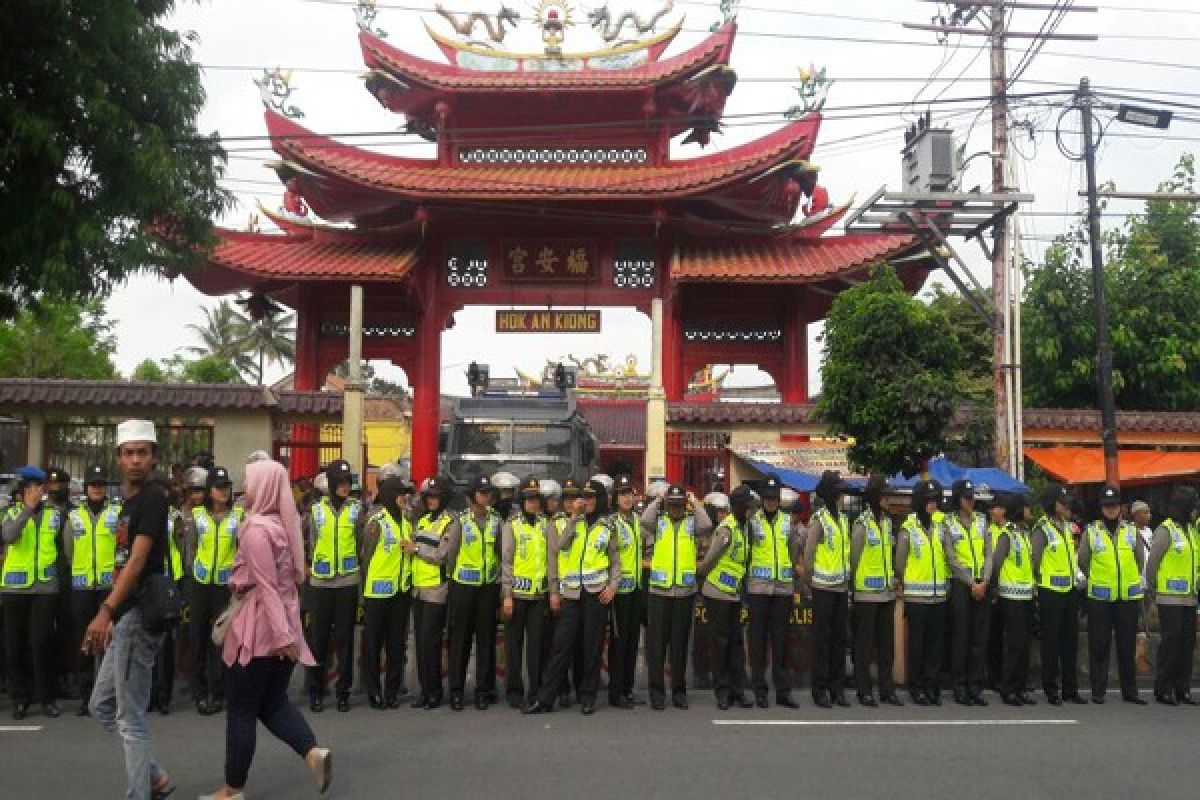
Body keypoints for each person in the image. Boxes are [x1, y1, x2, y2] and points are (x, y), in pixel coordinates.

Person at [199, 458, 332, 800]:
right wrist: (289, 633)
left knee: (241, 711)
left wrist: (282, 637)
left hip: (260, 631)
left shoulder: (257, 529)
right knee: (272, 704)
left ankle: (232, 790)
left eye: (251, 482)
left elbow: (267, 587)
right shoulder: (283, 526)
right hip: (284, 623)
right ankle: (312, 752)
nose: (247, 488)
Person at [84, 419, 175, 800]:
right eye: (129, 453)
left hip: (137, 616)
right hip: (124, 616)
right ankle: (155, 778)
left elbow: (137, 560)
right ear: (119, 457)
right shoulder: (128, 502)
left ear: (153, 457)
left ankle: (140, 794)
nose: (135, 459)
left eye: (143, 452)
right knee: (101, 705)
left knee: (130, 717)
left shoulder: (153, 497)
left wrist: (106, 610)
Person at [525, 479, 619, 715]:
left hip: (596, 594)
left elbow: (616, 561)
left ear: (598, 500)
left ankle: (588, 696)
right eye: (583, 497)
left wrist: (613, 586)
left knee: (591, 648)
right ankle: (545, 699)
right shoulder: (571, 522)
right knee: (560, 647)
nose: (586, 501)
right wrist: (575, 517)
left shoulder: (607, 526)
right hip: (572, 594)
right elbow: (561, 546)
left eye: (590, 497)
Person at [641, 483, 712, 710]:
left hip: (684, 593)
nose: (675, 509)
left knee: (680, 645)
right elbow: (644, 520)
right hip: (659, 593)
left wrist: (694, 500)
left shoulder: (692, 523)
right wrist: (658, 500)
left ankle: (679, 692)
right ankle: (657, 692)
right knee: (657, 646)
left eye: (679, 505)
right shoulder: (658, 522)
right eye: (671, 505)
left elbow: (707, 524)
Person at [2, 465, 63, 718]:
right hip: (15, 587)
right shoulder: (10, 512)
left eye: (38, 487)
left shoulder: (54, 514)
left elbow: (64, 547)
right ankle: (20, 698)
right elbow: (9, 537)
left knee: (40, 643)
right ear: (22, 490)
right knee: (15, 645)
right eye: (31, 487)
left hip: (45, 588)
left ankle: (47, 697)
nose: (36, 491)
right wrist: (27, 510)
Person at [1078, 485, 1147, 704]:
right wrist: (1097, 577)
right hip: (1100, 598)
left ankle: (1130, 691)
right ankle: (1098, 691)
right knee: (1099, 645)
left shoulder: (1130, 530)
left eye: (1114, 506)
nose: (1110, 510)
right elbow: (1083, 560)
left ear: (1121, 508)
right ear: (1101, 508)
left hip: (1126, 597)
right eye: (1107, 506)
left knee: (1126, 646)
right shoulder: (1092, 530)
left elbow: (1139, 560)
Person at [304, 460, 363, 713]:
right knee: (318, 638)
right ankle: (316, 691)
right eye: (339, 482)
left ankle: (343, 692)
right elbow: (311, 543)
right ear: (330, 484)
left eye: (347, 482)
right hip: (321, 581)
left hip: (348, 581)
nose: (344, 487)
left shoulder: (357, 509)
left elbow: (361, 542)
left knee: (345, 638)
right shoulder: (316, 510)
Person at [185, 465, 244, 715]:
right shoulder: (196, 515)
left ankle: (218, 691)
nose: (224, 492)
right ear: (209, 491)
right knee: (198, 637)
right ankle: (199, 692)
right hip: (200, 584)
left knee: (221, 640)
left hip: (224, 586)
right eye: (219, 488)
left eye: (227, 487)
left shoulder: (238, 516)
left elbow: (242, 550)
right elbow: (190, 551)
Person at [65, 464, 120, 716]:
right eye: (93, 484)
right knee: (85, 640)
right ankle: (86, 694)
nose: (97, 488)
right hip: (82, 586)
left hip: (109, 587)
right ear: (86, 488)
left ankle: (110, 694)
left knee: (111, 641)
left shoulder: (117, 512)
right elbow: (68, 551)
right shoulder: (74, 515)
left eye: (101, 484)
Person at [446, 475, 502, 711]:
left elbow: (500, 552)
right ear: (472, 497)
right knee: (460, 640)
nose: (487, 496)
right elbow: (451, 555)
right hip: (463, 588)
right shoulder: (460, 521)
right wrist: (454, 580)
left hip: (487, 588)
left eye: (488, 492)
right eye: (482, 492)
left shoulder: (496, 521)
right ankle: (457, 691)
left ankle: (483, 690)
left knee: (486, 640)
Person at [697, 485, 755, 710]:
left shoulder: (744, 528)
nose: (749, 511)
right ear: (737, 507)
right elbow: (710, 560)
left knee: (736, 643)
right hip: (718, 593)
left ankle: (737, 690)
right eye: (746, 507)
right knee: (720, 643)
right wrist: (703, 577)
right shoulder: (727, 530)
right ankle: (722, 691)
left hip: (733, 595)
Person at [746, 476, 802, 708]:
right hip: (758, 588)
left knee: (781, 641)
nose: (770, 502)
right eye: (767, 498)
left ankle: (783, 691)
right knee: (757, 641)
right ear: (762, 499)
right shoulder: (752, 521)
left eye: (774, 498)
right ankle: (759, 689)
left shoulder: (787, 522)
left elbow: (792, 551)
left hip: (781, 589)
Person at [501, 478, 556, 708]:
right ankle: (514, 691)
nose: (533, 504)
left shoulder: (547, 524)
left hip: (538, 596)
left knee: (536, 647)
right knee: (513, 646)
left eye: (536, 499)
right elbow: (506, 561)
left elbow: (552, 560)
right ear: (521, 501)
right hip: (517, 596)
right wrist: (506, 595)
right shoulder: (512, 524)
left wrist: (553, 591)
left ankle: (535, 691)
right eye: (529, 499)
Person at [360, 477, 414, 710]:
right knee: (373, 644)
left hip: (400, 592)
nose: (405, 497)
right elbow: (367, 558)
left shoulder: (406, 521)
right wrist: (364, 592)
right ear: (391, 495)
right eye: (401, 493)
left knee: (396, 644)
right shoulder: (376, 521)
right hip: (377, 592)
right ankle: (373, 691)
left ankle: (392, 691)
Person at [405, 476, 458, 709]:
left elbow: (443, 556)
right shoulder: (423, 521)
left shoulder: (451, 522)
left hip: (437, 589)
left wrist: (415, 549)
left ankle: (435, 691)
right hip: (418, 589)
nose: (432, 501)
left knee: (431, 642)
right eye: (429, 497)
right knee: (420, 642)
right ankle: (425, 691)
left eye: (436, 497)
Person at [1030, 484, 1086, 706]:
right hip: (1050, 593)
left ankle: (1070, 689)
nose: (1067, 506)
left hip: (1070, 592)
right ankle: (1051, 688)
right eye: (1063, 503)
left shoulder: (1068, 528)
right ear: (1053, 505)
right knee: (1051, 643)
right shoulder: (1042, 529)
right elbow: (1034, 560)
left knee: (1070, 642)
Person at [849, 474, 901, 707]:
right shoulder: (862, 524)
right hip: (866, 594)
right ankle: (864, 690)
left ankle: (887, 689)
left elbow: (889, 556)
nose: (889, 500)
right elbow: (854, 558)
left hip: (886, 593)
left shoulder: (887, 523)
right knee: (864, 645)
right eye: (885, 495)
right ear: (876, 498)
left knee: (886, 646)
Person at [803, 470, 853, 708]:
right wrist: (811, 582)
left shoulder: (843, 519)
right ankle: (820, 689)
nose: (842, 495)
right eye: (840, 491)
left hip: (840, 588)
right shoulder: (819, 520)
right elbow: (809, 553)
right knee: (822, 641)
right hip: (822, 587)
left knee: (838, 640)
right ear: (832, 494)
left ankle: (837, 688)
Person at [1144, 487, 1198, 706]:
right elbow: (1152, 563)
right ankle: (1163, 688)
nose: (1195, 512)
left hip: (1189, 597)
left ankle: (1182, 689)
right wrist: (1155, 590)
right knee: (1171, 643)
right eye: (1193, 508)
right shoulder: (1165, 530)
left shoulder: (1192, 531)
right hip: (1169, 598)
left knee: (1187, 644)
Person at [896, 480, 948, 706]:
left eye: (935, 500)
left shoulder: (941, 526)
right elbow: (900, 562)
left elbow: (949, 555)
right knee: (917, 644)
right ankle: (916, 687)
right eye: (928, 500)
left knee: (935, 645)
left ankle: (932, 685)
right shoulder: (908, 528)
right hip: (917, 597)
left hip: (939, 595)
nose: (932, 504)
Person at [942, 479, 990, 706]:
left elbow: (989, 553)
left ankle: (975, 686)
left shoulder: (982, 521)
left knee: (979, 639)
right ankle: (959, 685)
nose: (971, 502)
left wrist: (984, 581)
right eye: (966, 497)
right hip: (962, 585)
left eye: (972, 497)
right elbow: (951, 558)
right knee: (961, 637)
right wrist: (971, 582)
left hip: (982, 584)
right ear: (957, 499)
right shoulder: (948, 523)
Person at [986, 494, 1036, 706]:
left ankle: (1020, 687)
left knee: (1024, 644)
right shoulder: (1007, 535)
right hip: (1010, 595)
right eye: (1026, 507)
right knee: (1015, 644)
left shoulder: (1024, 534)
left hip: (1026, 594)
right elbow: (996, 563)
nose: (1029, 511)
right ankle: (1009, 688)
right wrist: (994, 589)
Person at [607, 474, 643, 709]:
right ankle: (616, 691)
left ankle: (628, 689)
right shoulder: (612, 523)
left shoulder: (637, 521)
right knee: (619, 643)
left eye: (629, 493)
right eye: (622, 494)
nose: (627, 498)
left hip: (636, 591)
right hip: (619, 591)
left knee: (632, 642)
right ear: (615, 498)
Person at [1131, 500, 1154, 568]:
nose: (1149, 515)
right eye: (1146, 513)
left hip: (1149, 574)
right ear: (1136, 515)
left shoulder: (1149, 530)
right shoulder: (1129, 531)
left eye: (1149, 512)